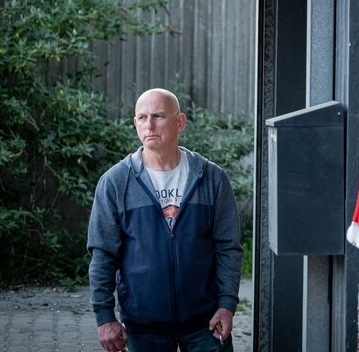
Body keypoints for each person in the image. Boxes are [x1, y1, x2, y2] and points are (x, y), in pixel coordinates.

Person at [87, 88, 243, 351]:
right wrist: (105, 318)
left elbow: (228, 247)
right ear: (135, 122)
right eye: (142, 117)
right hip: (143, 326)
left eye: (158, 116)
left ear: (179, 122)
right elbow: (102, 253)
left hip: (206, 324)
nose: (149, 125)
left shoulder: (211, 178)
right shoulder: (115, 182)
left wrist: (227, 305)